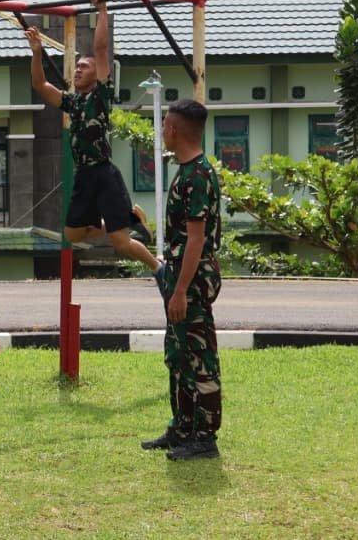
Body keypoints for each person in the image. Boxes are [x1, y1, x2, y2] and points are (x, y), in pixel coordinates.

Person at [25, 0, 162, 281]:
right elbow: (40, 84)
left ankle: (160, 269)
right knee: (72, 234)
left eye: (83, 67)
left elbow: (100, 49)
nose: (77, 70)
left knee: (120, 243)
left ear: (96, 74)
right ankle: (129, 218)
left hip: (104, 173)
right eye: (76, 67)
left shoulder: (101, 95)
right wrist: (36, 51)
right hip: (84, 174)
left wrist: (101, 10)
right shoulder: (72, 102)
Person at [141, 99, 222, 460]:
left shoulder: (197, 175)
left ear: (174, 129)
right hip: (180, 274)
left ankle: (204, 437)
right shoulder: (187, 170)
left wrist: (181, 291)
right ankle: (182, 429)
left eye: (164, 125)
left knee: (199, 356)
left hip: (192, 279)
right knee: (179, 354)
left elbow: (196, 239)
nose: (162, 131)